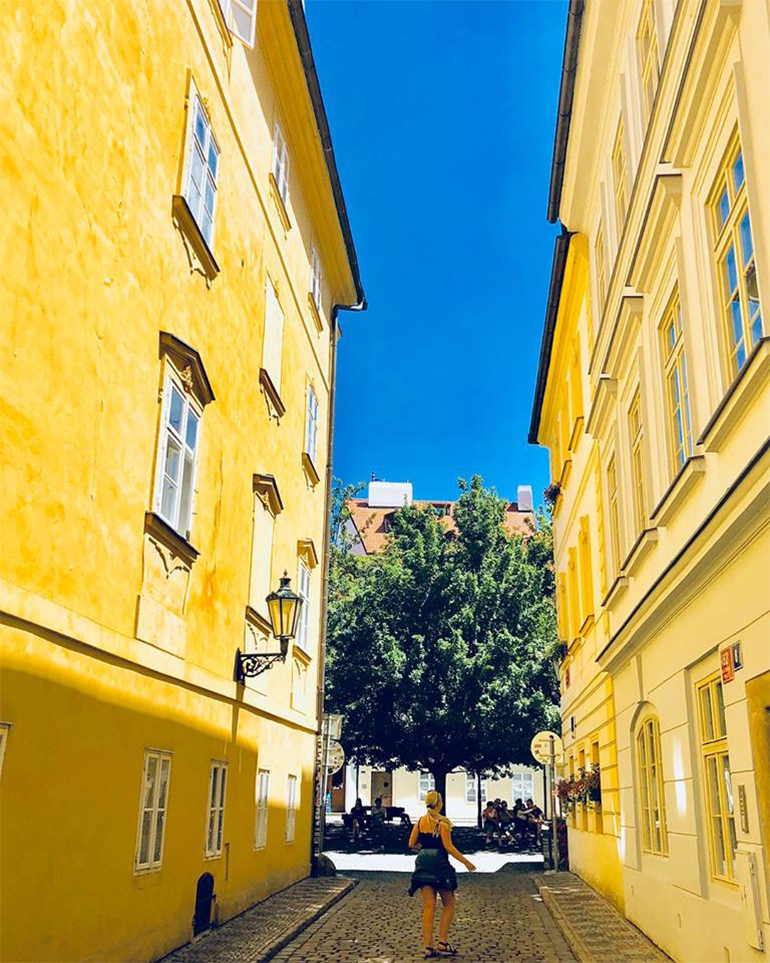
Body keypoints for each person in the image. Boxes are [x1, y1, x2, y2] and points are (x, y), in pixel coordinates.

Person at [408, 790, 476, 959]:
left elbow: (411, 843)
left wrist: (422, 849)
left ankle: (428, 946)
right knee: (449, 903)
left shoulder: (420, 822)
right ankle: (443, 942)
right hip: (440, 866)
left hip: (423, 865)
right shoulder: (443, 825)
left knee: (429, 907)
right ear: (439, 804)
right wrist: (466, 862)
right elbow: (449, 847)